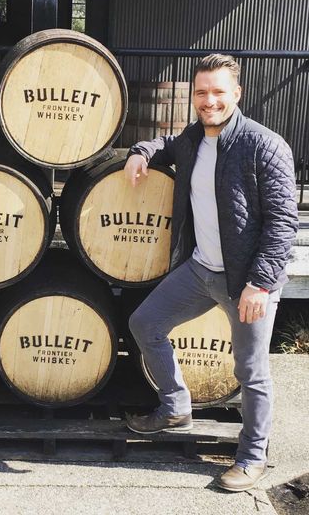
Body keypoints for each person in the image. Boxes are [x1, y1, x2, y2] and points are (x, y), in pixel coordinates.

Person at [124, 54, 298, 492]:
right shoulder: (193, 139)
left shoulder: (264, 145)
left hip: (247, 282)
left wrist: (261, 283)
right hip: (201, 270)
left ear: (236, 93)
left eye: (218, 92)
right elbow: (164, 144)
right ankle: (175, 406)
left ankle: (252, 458)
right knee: (145, 323)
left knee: (251, 371)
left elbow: (283, 223)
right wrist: (140, 152)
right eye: (201, 92)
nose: (209, 100)